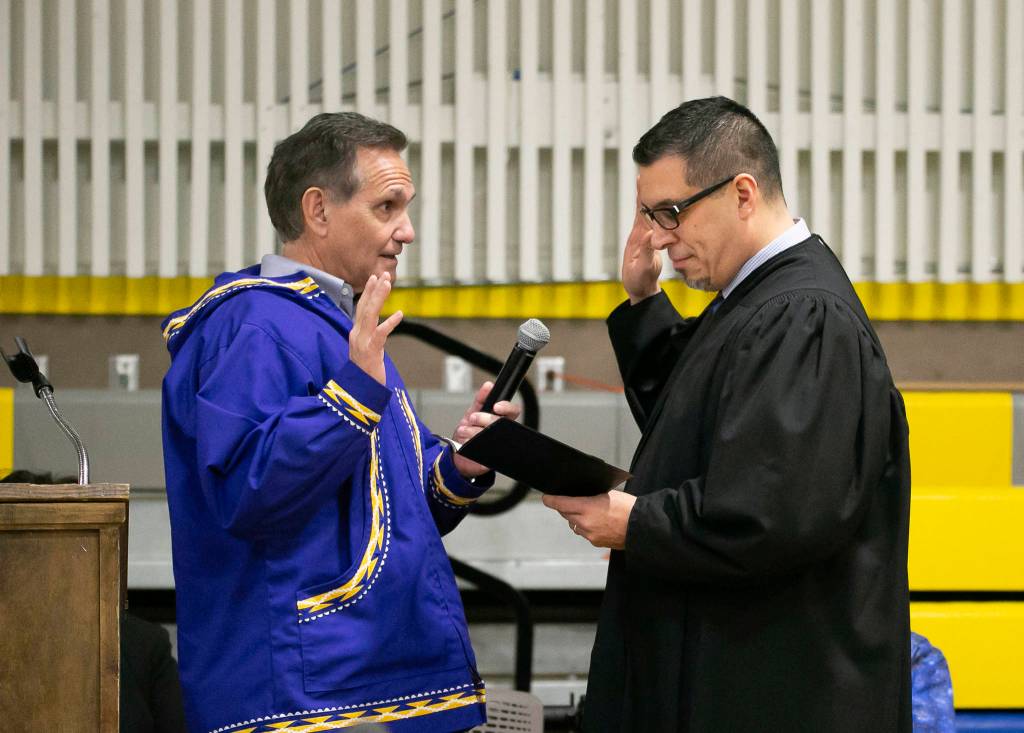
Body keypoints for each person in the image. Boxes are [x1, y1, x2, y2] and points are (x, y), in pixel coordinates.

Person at [542, 97, 912, 731]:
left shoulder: (804, 316)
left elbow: (773, 510)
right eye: (648, 214)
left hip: (778, 689)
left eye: (671, 212)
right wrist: (643, 301)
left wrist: (639, 523)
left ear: (743, 192)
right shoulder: (756, 298)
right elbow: (705, 422)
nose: (658, 236)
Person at [161, 112, 518, 733]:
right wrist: (354, 391)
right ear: (318, 211)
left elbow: (384, 509)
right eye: (387, 207)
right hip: (310, 693)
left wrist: (459, 464)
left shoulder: (333, 324)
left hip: (374, 675)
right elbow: (248, 492)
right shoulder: (250, 326)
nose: (407, 231)